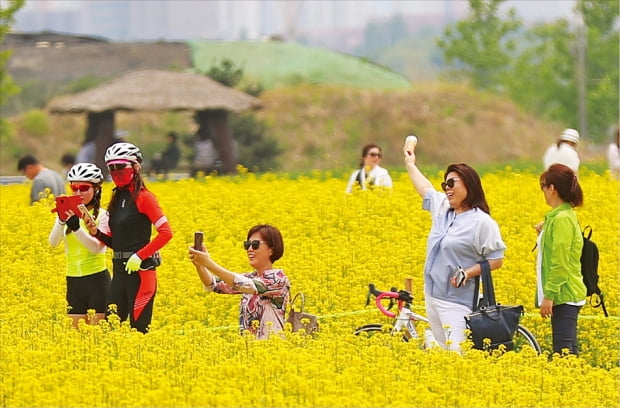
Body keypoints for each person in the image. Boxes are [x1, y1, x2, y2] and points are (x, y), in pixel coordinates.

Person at [403, 139, 506, 351]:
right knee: (444, 352)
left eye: (452, 183)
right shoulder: (443, 209)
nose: (447, 189)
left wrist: (468, 273)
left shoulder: (482, 222)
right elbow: (425, 189)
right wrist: (410, 164)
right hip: (432, 295)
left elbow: (496, 259)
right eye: (445, 185)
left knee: (457, 356)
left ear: (468, 183)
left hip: (457, 300)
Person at [85, 142, 173, 333]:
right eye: (112, 168)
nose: (116, 172)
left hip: (141, 273)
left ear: (135, 167)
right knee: (109, 328)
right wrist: (96, 233)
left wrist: (140, 256)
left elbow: (166, 233)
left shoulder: (145, 197)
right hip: (119, 272)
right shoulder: (117, 198)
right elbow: (115, 242)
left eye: (120, 166)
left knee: (139, 330)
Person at [188, 224, 291, 339]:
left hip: (272, 349)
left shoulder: (278, 279)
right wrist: (200, 265)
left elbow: (246, 285)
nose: (250, 249)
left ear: (271, 249)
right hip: (249, 350)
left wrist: (209, 263)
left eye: (255, 245)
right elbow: (214, 285)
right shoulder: (251, 277)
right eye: (247, 245)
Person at [48, 163, 111, 328]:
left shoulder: (103, 216)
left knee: (98, 339)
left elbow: (97, 248)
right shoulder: (67, 214)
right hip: (73, 281)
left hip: (97, 281)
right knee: (75, 339)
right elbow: (53, 243)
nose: (78, 193)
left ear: (96, 189)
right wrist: (61, 221)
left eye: (84, 188)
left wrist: (76, 229)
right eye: (74, 188)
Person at [534, 163, 586, 355]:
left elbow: (560, 261)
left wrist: (549, 295)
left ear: (552, 189)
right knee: (568, 354)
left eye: (543, 187)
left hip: (564, 295)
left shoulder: (562, 219)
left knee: (563, 354)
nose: (543, 192)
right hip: (563, 294)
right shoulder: (559, 217)